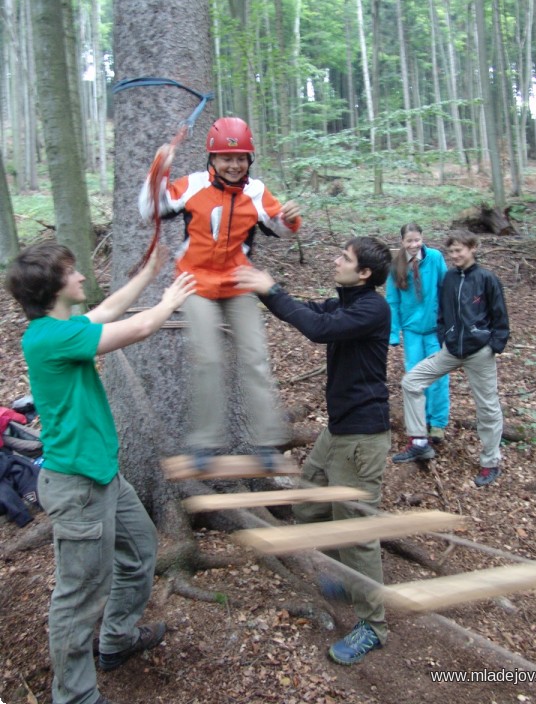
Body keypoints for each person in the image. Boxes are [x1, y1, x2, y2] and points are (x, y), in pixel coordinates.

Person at [5, 241, 196, 704]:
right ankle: (73, 694)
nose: (82, 277)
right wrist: (169, 300)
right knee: (79, 595)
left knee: (141, 550)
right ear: (54, 288)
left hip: (104, 475)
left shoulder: (60, 326)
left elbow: (109, 309)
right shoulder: (49, 338)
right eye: (73, 273)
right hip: (77, 489)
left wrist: (149, 274)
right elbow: (137, 328)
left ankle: (116, 639)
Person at [235, 236, 392, 665]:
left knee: (356, 532)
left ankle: (373, 625)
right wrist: (259, 288)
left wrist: (271, 289)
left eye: (345, 258)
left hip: (362, 438)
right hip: (338, 432)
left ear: (364, 274)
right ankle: (350, 577)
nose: (336, 260)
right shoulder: (346, 301)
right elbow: (309, 313)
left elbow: (317, 330)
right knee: (308, 505)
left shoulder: (371, 308)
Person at [139, 117, 302, 465]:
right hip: (196, 282)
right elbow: (150, 208)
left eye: (241, 157)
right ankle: (205, 442)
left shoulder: (255, 191)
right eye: (226, 158)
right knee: (208, 358)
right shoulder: (193, 186)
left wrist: (289, 219)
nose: (234, 164)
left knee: (255, 357)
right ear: (212, 159)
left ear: (250, 160)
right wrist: (159, 167)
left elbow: (279, 226)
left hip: (238, 282)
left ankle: (264, 443)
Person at [391, 230, 510, 487]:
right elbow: (442, 312)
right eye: (452, 251)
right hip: (451, 350)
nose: (455, 255)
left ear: (473, 248)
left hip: (479, 352)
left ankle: (490, 462)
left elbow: (500, 318)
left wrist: (493, 346)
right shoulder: (449, 278)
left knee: (488, 407)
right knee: (411, 382)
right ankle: (420, 442)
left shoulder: (487, 279)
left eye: (459, 250)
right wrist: (446, 336)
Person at [385, 222, 449, 445]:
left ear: (422, 238)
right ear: (402, 242)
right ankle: (419, 425)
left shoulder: (435, 257)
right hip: (411, 330)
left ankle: (438, 423)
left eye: (417, 240)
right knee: (414, 378)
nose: (414, 244)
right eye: (409, 241)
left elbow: (446, 288)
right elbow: (392, 300)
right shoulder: (396, 264)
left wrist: (449, 322)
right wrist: (393, 333)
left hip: (435, 330)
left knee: (439, 377)